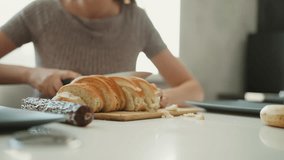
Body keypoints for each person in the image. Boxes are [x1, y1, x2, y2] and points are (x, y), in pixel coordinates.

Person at [0, 0, 204, 107]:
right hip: (51, 137)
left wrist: (159, 97)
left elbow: (193, 89)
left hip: (118, 141)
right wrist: (30, 74)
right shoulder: (39, 11)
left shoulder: (137, 20)